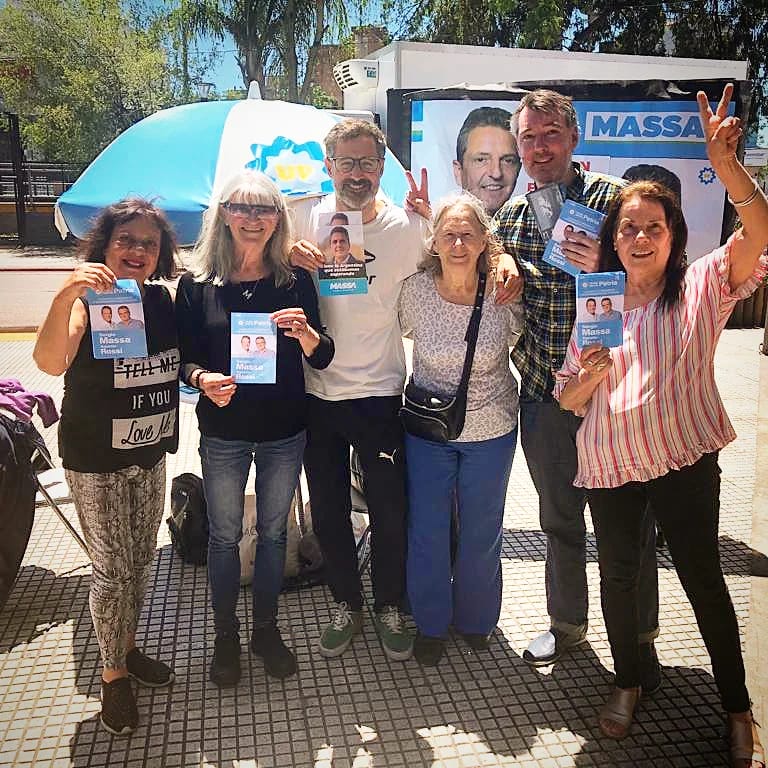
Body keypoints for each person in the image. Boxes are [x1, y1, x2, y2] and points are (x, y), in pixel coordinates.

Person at [554, 85, 766, 766]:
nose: (638, 237)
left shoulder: (702, 285)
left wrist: (728, 167)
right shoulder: (598, 301)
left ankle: (737, 707)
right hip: (610, 463)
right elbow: (567, 401)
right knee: (618, 577)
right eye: (627, 227)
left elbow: (759, 235)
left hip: (682, 458)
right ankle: (629, 681)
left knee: (703, 579)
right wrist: (589, 373)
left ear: (673, 238)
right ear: (614, 240)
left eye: (653, 227)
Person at [289, 119, 521, 662]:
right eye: (345, 162)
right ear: (328, 167)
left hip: (382, 393)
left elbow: (468, 247)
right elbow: (251, 248)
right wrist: (287, 255)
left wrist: (506, 258)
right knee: (327, 512)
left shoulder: (407, 228)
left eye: (367, 162)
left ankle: (391, 604)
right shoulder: (303, 219)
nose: (356, 173)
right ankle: (346, 603)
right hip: (316, 393)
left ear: (380, 167)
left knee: (393, 513)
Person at [494, 89, 660, 671]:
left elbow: (659, 277)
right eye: (528, 138)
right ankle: (567, 627)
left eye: (550, 135)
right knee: (560, 521)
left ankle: (640, 640)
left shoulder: (617, 201)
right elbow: (492, 281)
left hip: (617, 395)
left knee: (632, 527)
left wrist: (605, 268)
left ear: (574, 137)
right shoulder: (509, 219)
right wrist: (504, 265)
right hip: (545, 395)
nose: (539, 148)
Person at [175, 171, 334, 687]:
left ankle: (265, 630)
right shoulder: (197, 284)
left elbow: (324, 354)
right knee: (222, 538)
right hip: (223, 429)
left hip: (284, 429)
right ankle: (226, 635)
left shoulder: (295, 279)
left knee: (272, 533)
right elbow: (181, 358)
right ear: (223, 214)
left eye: (264, 209)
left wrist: (308, 335)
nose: (252, 218)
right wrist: (202, 378)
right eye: (242, 208)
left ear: (278, 218)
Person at [33, 198, 179, 736]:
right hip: (97, 457)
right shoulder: (85, 301)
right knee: (112, 572)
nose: (137, 250)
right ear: (104, 246)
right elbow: (50, 361)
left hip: (149, 449)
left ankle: (128, 646)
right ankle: (112, 676)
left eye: (148, 242)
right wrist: (66, 290)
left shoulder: (160, 300)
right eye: (126, 240)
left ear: (161, 252)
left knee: (140, 563)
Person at [399, 193, 523, 666]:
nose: (456, 242)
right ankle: (431, 623)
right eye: (448, 233)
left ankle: (476, 619)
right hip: (429, 430)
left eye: (467, 233)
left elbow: (520, 338)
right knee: (427, 528)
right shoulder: (415, 291)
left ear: (484, 241)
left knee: (482, 528)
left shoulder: (503, 293)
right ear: (433, 240)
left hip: (491, 427)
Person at [453, 106, 521, 217]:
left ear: (519, 168)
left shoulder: (536, 226)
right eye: (481, 160)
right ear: (458, 171)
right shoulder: (437, 229)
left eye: (507, 161)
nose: (496, 173)